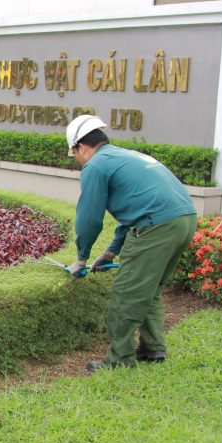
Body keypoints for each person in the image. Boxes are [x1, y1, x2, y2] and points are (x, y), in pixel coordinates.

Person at [63, 115, 197, 370]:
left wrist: (81, 258)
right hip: (185, 220)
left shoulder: (96, 166)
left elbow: (89, 218)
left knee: (126, 293)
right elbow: (134, 211)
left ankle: (119, 359)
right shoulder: (126, 156)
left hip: (156, 226)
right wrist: (111, 252)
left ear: (81, 146)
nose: (78, 161)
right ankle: (153, 348)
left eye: (75, 154)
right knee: (149, 290)